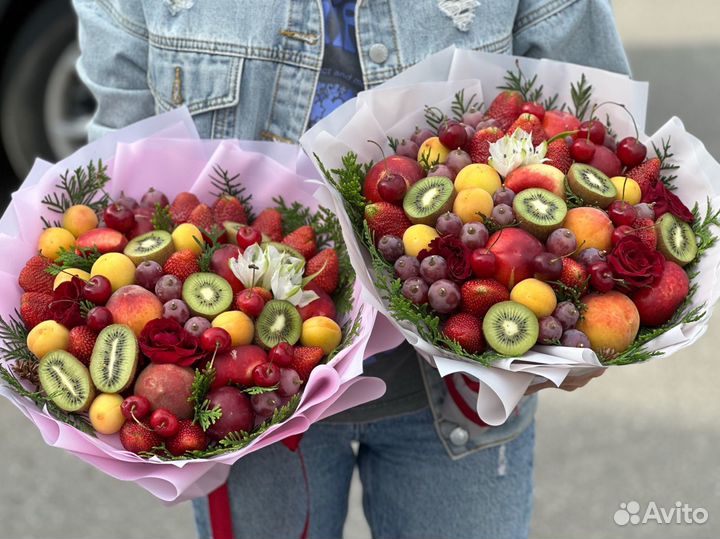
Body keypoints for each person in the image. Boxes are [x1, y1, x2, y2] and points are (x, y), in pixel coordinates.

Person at [72, 1, 629, 537]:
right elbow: (124, 167)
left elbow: (586, 126)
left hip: (463, 381)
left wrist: (592, 312)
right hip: (248, 391)